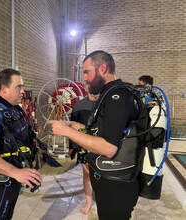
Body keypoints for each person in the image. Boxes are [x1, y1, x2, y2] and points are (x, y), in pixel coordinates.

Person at [48, 50, 141, 220]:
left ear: (103, 68)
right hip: (110, 182)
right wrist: (74, 126)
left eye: (87, 72)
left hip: (117, 186)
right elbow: (98, 134)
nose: (84, 78)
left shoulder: (117, 97)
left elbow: (108, 148)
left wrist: (66, 131)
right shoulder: (108, 94)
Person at [0, 68, 42, 220]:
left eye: (22, 86)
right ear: (4, 89)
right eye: (18, 87)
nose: (23, 91)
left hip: (12, 178)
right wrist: (16, 172)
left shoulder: (15, 110)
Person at [69, 82, 98, 215]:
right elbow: (72, 128)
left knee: (102, 174)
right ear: (86, 88)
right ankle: (88, 202)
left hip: (101, 145)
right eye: (91, 87)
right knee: (87, 174)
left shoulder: (105, 103)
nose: (94, 91)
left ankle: (102, 200)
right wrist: (72, 147)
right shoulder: (79, 105)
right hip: (84, 146)